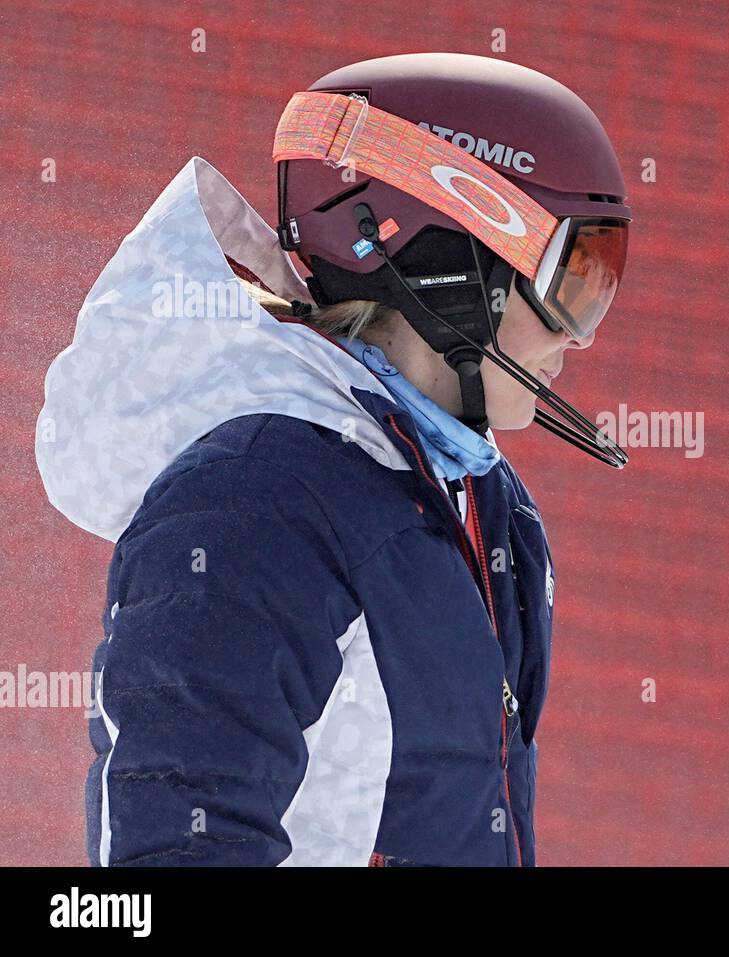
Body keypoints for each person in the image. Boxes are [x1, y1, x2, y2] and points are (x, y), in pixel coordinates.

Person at [34, 52, 632, 866]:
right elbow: (171, 847)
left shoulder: (486, 506)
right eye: (575, 279)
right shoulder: (257, 502)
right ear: (455, 260)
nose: (578, 336)